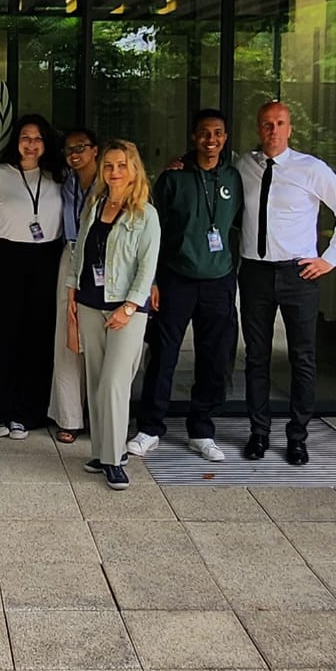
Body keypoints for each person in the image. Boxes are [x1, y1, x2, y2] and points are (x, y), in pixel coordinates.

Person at [233, 100, 336, 465]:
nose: (273, 130)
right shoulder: (243, 167)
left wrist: (329, 259)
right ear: (258, 128)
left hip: (298, 274)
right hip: (255, 273)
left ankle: (297, 436)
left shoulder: (311, 169)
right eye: (267, 123)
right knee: (256, 357)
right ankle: (258, 433)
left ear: (290, 129)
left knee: (302, 357)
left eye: (280, 123)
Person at [130, 109, 243, 465]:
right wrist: (153, 280)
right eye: (205, 133)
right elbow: (151, 230)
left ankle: (202, 431)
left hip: (218, 279)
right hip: (176, 277)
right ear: (194, 137)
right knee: (164, 354)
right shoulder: (173, 177)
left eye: (218, 133)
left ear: (225, 138)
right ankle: (150, 428)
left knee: (213, 358)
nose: (211, 140)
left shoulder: (234, 178)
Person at [66, 140, 160, 490]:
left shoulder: (146, 214)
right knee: (95, 381)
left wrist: (130, 306)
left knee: (114, 383)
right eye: (109, 166)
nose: (114, 172)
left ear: (134, 170)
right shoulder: (95, 205)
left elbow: (147, 267)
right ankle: (102, 452)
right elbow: (80, 253)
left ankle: (116, 456)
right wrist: (72, 294)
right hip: (90, 302)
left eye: (122, 165)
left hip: (126, 310)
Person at [0, 113, 67, 437]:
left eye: (38, 138)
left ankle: (26, 413)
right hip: (4, 259)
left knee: (37, 338)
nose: (31, 144)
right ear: (16, 141)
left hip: (46, 260)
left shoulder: (58, 176)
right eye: (26, 137)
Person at [48, 127, 100, 444]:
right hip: (70, 253)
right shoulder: (65, 181)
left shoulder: (110, 181)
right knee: (66, 336)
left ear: (96, 150)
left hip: (103, 259)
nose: (75, 153)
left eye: (81, 147)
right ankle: (69, 417)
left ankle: (101, 415)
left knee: (98, 337)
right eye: (69, 149)